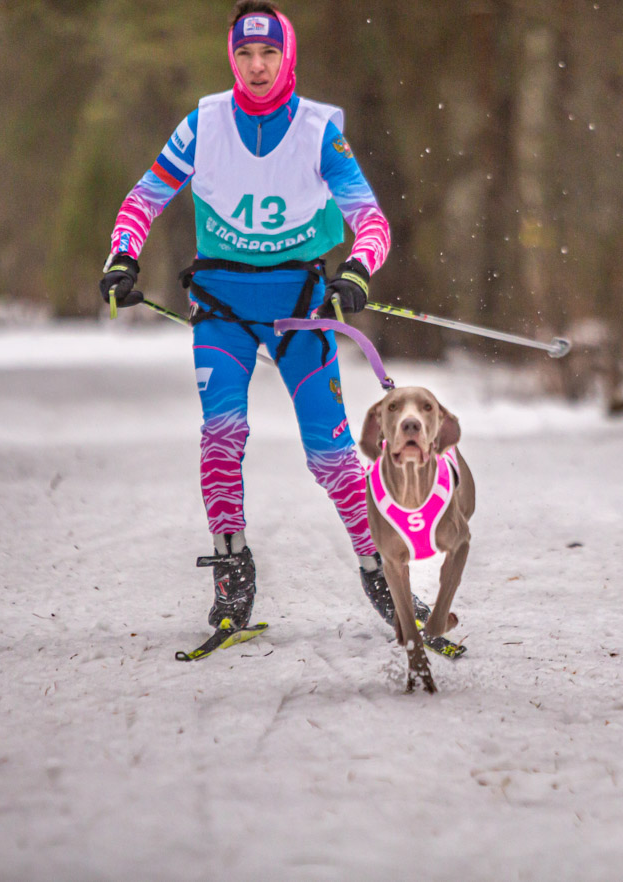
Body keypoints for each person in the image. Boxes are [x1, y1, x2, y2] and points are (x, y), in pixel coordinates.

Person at [99, 0, 424, 634]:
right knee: (222, 434)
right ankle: (231, 569)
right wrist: (121, 257)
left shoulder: (319, 130)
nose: (256, 66)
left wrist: (357, 270)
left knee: (330, 456)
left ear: (288, 56)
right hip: (221, 308)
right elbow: (146, 195)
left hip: (300, 310)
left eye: (269, 53)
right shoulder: (205, 122)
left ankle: (379, 568)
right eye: (245, 54)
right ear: (231, 57)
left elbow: (371, 219)